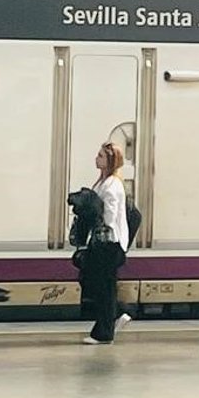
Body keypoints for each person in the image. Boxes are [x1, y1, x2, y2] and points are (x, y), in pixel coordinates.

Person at [81, 141, 133, 345]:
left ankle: (105, 330)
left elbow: (110, 214)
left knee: (103, 286)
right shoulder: (106, 182)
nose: (97, 158)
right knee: (102, 285)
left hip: (109, 243)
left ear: (110, 161)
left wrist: (100, 224)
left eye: (101, 156)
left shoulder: (111, 185)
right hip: (105, 242)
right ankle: (115, 316)